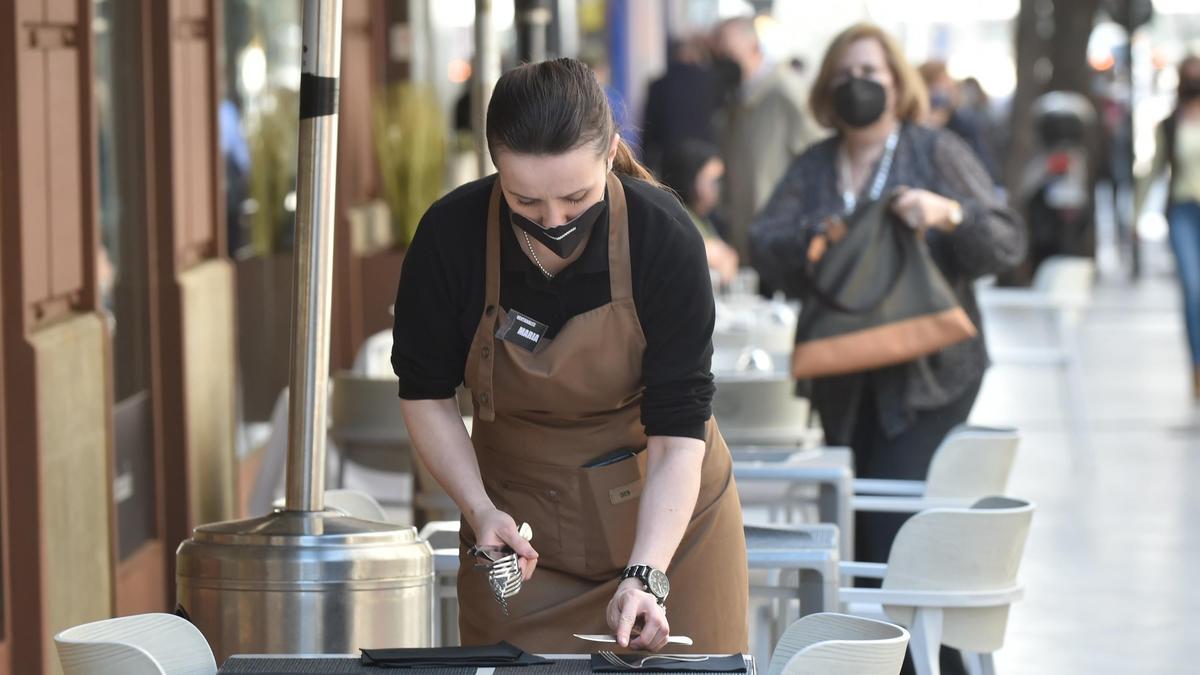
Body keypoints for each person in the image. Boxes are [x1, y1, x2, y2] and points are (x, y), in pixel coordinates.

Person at [391, 58, 748, 654]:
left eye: (576, 198)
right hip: (518, 535)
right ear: (495, 168)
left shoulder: (662, 236)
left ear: (610, 153)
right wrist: (479, 511)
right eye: (525, 203)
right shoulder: (449, 237)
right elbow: (425, 393)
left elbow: (677, 432)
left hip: (670, 523)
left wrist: (647, 574)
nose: (553, 222)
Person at [749, 24, 1025, 674]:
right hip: (845, 383)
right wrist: (815, 237)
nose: (858, 86)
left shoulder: (936, 151)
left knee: (892, 542)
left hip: (931, 378)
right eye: (845, 74)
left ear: (898, 83)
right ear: (825, 89)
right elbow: (764, 240)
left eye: (871, 72)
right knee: (860, 537)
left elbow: (1007, 242)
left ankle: (922, 663)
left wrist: (947, 213)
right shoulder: (817, 166)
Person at [712, 16, 823, 261]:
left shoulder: (786, 91)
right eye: (717, 52)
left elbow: (819, 152)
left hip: (779, 240)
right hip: (743, 237)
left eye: (728, 51)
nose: (722, 60)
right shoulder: (735, 99)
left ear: (753, 46)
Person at [1137, 55, 1200, 401]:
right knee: (1193, 289)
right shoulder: (1171, 123)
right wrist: (1135, 214)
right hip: (1183, 212)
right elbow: (1154, 168)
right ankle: (1197, 365)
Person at [658, 140, 739, 285]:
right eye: (713, 181)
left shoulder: (706, 219)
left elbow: (729, 259)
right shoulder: (673, 218)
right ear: (690, 178)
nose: (718, 188)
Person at [641, 37, 721, 174]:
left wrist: (647, 163)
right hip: (706, 156)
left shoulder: (659, 84)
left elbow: (650, 127)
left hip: (671, 156)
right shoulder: (712, 81)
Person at [917, 61, 1001, 184]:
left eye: (947, 85)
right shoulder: (915, 123)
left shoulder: (964, 122)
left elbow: (981, 161)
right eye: (939, 84)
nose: (944, 90)